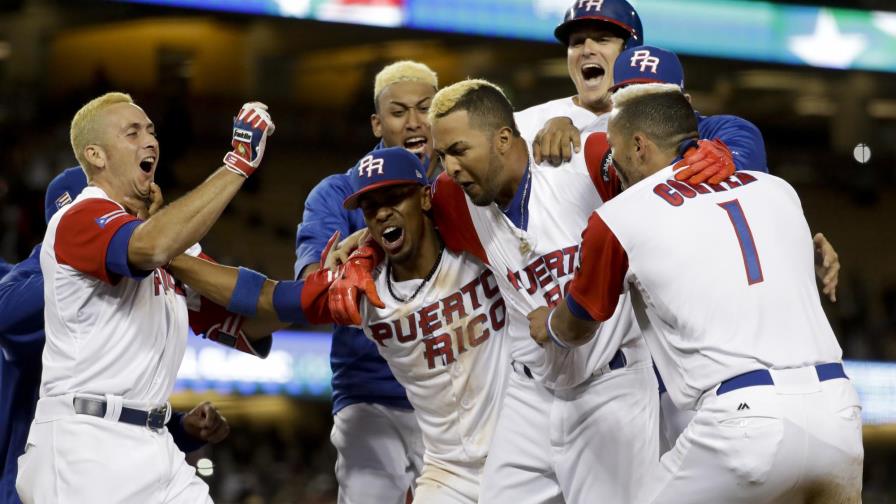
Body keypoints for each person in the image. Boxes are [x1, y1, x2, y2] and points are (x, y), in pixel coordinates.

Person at [531, 83, 862, 503]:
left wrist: (551, 326)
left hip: (743, 421)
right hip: (838, 412)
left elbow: (579, 325)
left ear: (638, 146)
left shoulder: (620, 215)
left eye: (613, 154)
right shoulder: (777, 189)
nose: (611, 168)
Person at [424, 78, 719, 503]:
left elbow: (669, 147)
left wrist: (722, 151)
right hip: (529, 395)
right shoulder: (454, 201)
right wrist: (359, 243)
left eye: (458, 151)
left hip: (610, 387)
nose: (449, 167)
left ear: (504, 139)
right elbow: (401, 210)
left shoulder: (582, 162)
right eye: (441, 155)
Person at [167, 147, 511, 504]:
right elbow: (268, 297)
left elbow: (493, 154)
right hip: (449, 468)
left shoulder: (475, 244)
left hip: (516, 447)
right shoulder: (357, 288)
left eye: (394, 197)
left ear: (426, 197)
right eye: (370, 206)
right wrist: (171, 257)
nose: (382, 213)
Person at [15, 92, 275, 504]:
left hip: (157, 446)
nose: (150, 141)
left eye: (151, 131)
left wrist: (322, 288)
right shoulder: (79, 217)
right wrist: (237, 164)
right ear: (96, 155)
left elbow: (249, 314)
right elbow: (149, 248)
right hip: (85, 444)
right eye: (132, 132)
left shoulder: (171, 244)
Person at [0, 167, 234, 504]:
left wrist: (180, 429)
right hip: (34, 480)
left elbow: (113, 415)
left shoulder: (135, 285)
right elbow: (6, 315)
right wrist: (86, 270)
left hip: (102, 468)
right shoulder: (34, 280)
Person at [292, 60, 437, 504]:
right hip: (373, 393)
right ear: (377, 122)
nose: (414, 122)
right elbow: (312, 286)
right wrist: (344, 267)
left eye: (425, 109)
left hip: (460, 390)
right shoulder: (338, 193)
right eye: (399, 112)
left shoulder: (461, 182)